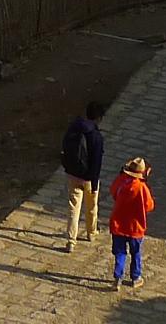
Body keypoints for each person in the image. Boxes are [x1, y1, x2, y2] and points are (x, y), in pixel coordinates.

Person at [59, 99, 105, 249]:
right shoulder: (96, 136)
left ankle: (71, 240)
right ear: (99, 118)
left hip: (72, 174)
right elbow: (96, 161)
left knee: (73, 207)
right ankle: (91, 232)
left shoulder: (74, 127)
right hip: (88, 177)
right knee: (91, 206)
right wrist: (94, 182)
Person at [109, 155, 155, 290]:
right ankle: (135, 277)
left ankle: (117, 278)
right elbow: (149, 206)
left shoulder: (121, 181)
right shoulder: (142, 188)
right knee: (135, 252)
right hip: (136, 227)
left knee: (120, 252)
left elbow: (113, 192)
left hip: (118, 224)